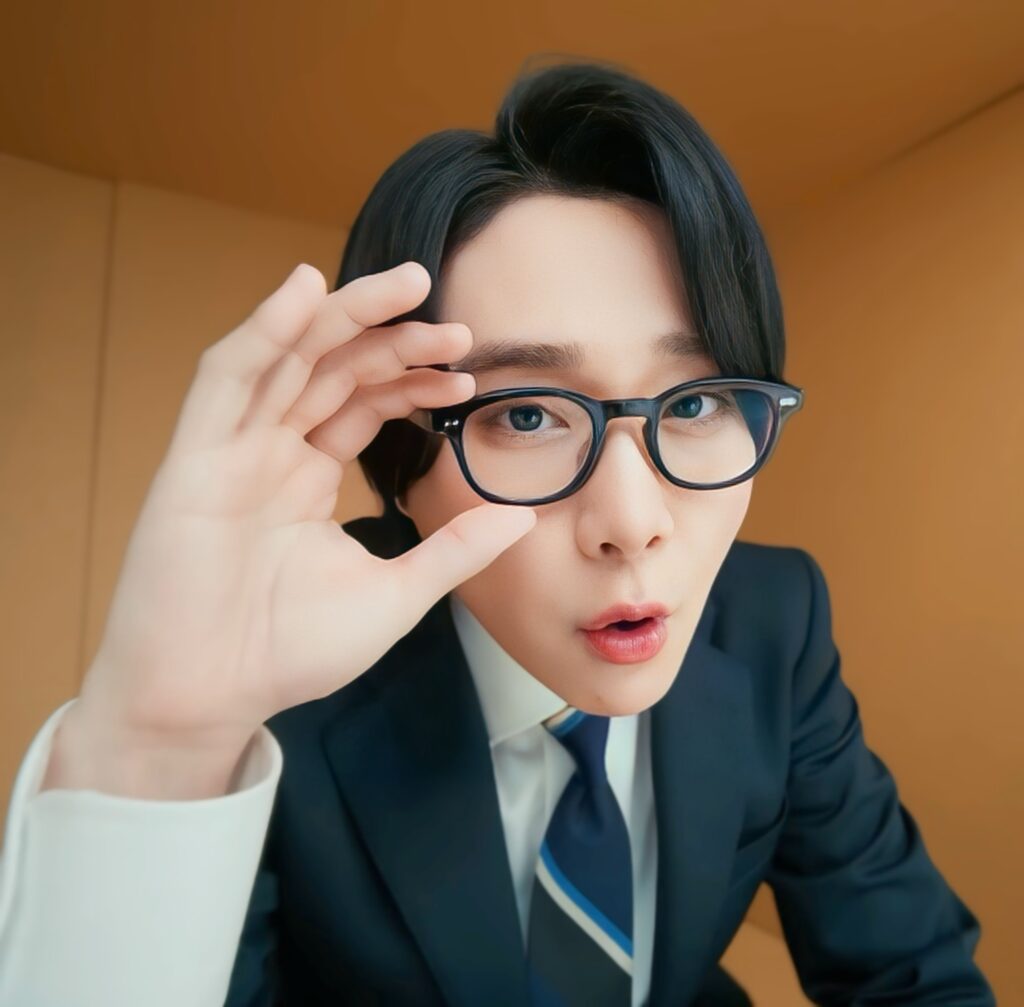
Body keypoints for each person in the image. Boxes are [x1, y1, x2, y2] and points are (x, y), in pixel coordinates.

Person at [0, 59, 994, 1007]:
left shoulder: (774, 621)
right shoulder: (291, 679)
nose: (633, 523)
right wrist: (164, 744)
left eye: (694, 403)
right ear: (400, 462)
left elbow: (912, 971)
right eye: (526, 415)